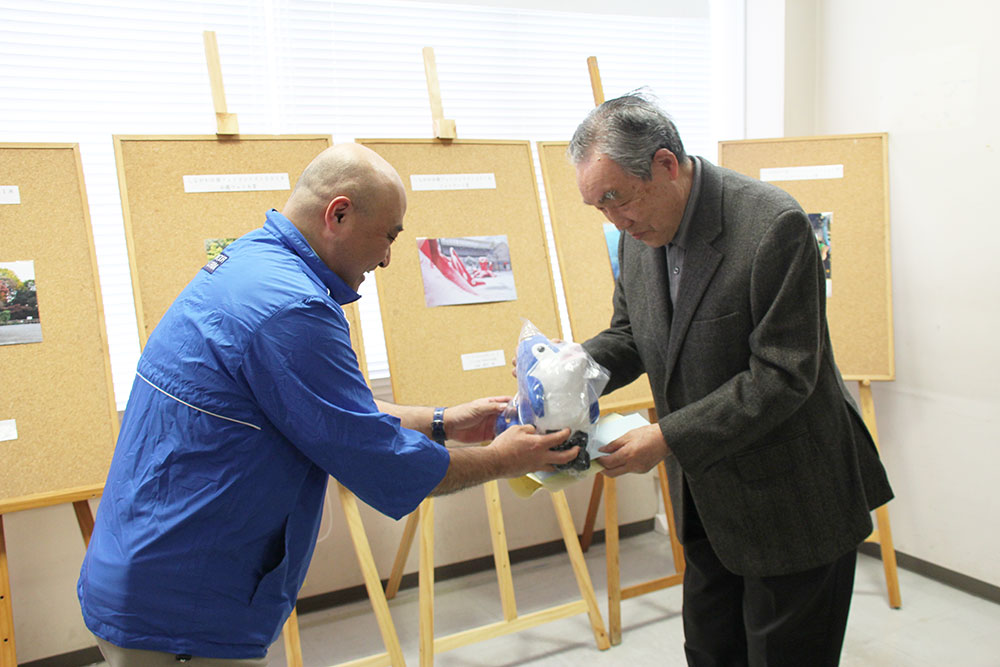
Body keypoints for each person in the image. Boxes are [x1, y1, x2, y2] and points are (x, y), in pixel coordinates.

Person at [78, 143, 576, 664]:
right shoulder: (291, 308)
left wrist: (442, 421)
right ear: (337, 213)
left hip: (151, 570)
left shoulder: (251, 262)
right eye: (388, 236)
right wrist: (505, 458)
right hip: (181, 608)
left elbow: (317, 412)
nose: (387, 258)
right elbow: (377, 459)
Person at [568, 93, 893, 666]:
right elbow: (632, 335)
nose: (614, 220)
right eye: (599, 207)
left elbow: (783, 375)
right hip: (709, 499)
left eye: (616, 198)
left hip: (792, 498)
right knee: (713, 652)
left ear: (666, 165)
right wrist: (565, 372)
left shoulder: (773, 225)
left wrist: (666, 438)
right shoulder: (640, 236)